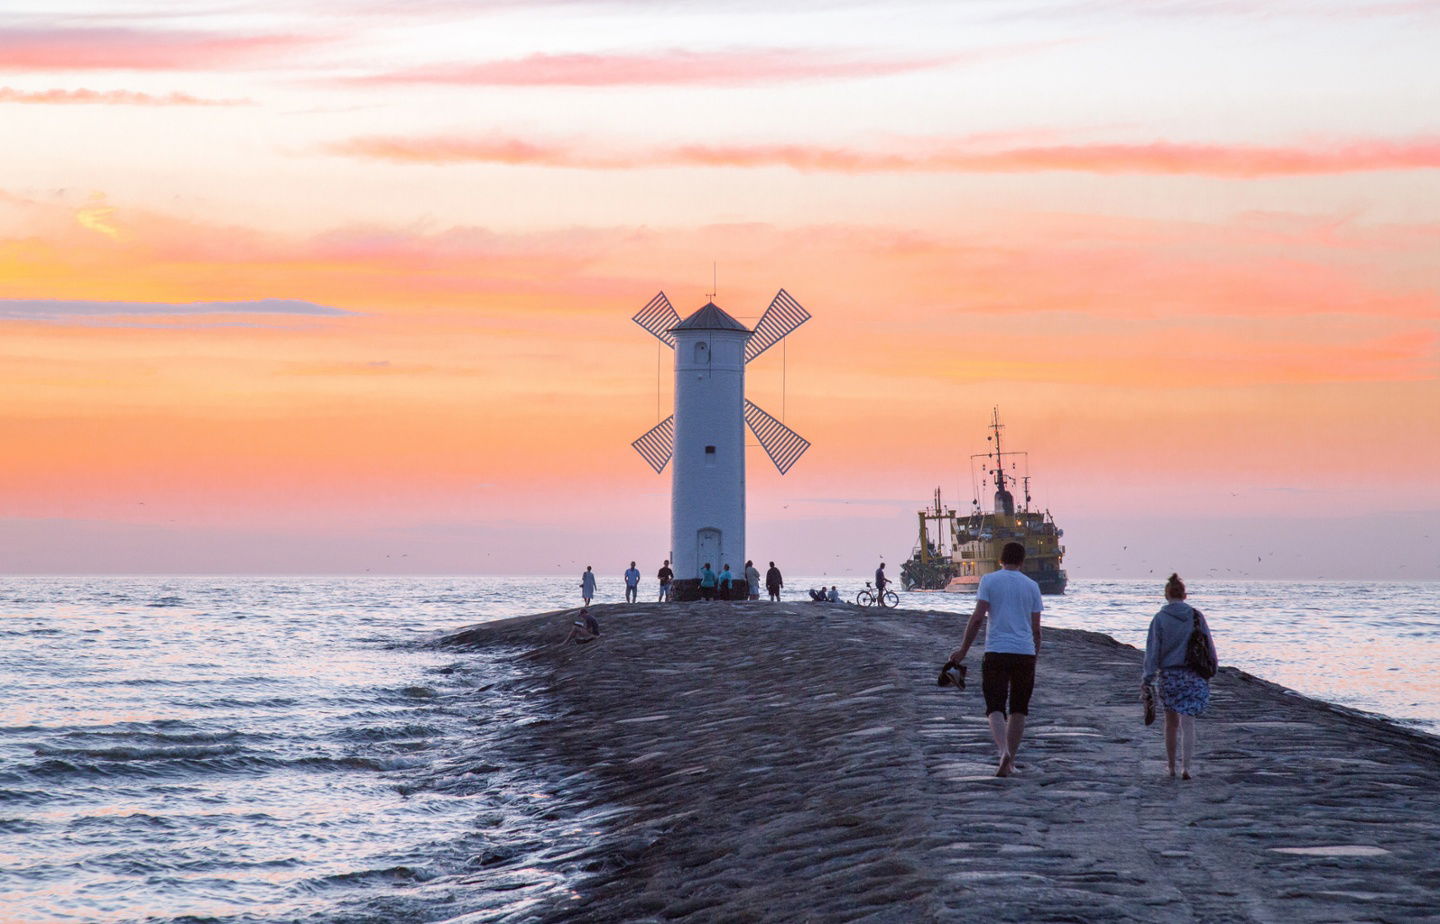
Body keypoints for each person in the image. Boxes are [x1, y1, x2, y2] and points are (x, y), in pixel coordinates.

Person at [947, 542, 1042, 778]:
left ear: (1000, 559)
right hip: (1025, 653)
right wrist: (1034, 656)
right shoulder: (1032, 586)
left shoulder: (989, 581)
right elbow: (1037, 629)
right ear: (1022, 561)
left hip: (997, 651)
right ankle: (1011, 762)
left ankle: (1003, 752)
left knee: (995, 706)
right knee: (1019, 708)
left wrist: (963, 650)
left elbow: (978, 618)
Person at [1142, 573, 1216, 780]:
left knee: (1171, 723)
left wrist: (1147, 677)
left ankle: (1172, 766)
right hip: (1192, 675)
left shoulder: (1159, 619)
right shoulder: (1196, 616)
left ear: (1166, 595)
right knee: (1188, 722)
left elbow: (1153, 650)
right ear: (1184, 595)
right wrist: (1213, 669)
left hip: (1169, 676)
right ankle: (1187, 768)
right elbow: (1208, 644)